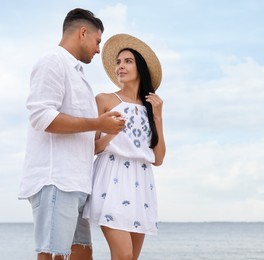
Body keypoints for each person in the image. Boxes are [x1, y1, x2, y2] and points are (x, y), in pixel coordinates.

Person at [18, 8, 125, 260]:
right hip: (56, 181)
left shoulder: (78, 74)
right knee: (53, 256)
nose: (99, 50)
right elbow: (41, 117)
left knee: (82, 255)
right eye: (98, 42)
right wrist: (97, 122)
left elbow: (85, 140)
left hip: (77, 184)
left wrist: (111, 132)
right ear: (83, 33)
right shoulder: (52, 61)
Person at [83, 33, 166, 259]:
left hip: (142, 183)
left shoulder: (151, 108)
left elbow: (158, 159)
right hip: (112, 178)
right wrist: (111, 134)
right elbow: (92, 148)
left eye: (128, 61)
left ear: (140, 67)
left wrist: (158, 117)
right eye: (118, 62)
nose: (120, 66)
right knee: (123, 257)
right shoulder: (105, 100)